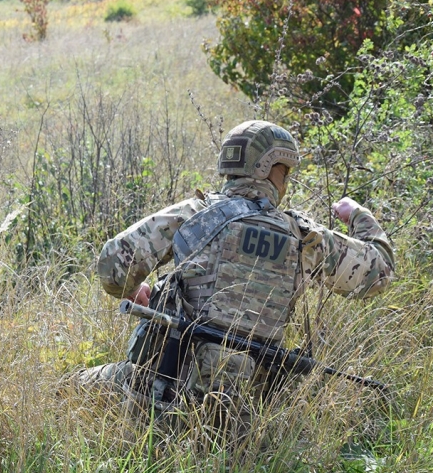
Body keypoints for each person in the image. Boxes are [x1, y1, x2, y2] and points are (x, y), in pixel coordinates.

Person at [77, 120, 395, 445]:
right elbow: (379, 274)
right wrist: (357, 214)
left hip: (163, 392)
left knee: (73, 387)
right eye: (285, 172)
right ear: (270, 169)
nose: (286, 181)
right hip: (245, 417)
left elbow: (113, 265)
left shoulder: (195, 214)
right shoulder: (306, 238)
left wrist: (133, 290)